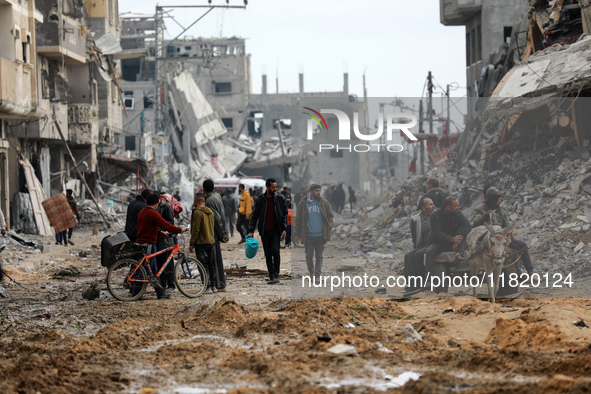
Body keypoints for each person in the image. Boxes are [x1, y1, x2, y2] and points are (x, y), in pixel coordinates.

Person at [136, 192, 188, 299]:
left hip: (143, 242)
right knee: (146, 269)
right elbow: (166, 225)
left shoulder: (142, 212)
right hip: (149, 243)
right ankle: (136, 293)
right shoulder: (153, 213)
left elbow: (147, 227)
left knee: (154, 270)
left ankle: (160, 293)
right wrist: (180, 230)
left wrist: (159, 232)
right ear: (156, 203)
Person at [472, 187, 534, 275]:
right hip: (486, 241)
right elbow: (475, 224)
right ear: (493, 199)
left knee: (522, 246)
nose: (501, 199)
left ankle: (530, 271)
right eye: (499, 197)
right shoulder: (479, 210)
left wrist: (510, 231)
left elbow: (508, 225)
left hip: (501, 239)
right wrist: (485, 216)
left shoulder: (501, 211)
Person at [424, 196, 471, 293]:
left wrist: (458, 238)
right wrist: (452, 239)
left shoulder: (457, 214)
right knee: (429, 252)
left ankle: (459, 254)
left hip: (454, 242)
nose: (458, 207)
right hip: (439, 242)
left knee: (463, 237)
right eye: (455, 206)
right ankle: (429, 280)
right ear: (448, 207)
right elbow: (437, 233)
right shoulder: (435, 216)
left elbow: (467, 225)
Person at [248, 178, 288, 284]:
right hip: (264, 231)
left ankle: (276, 275)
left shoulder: (280, 199)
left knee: (276, 251)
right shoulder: (260, 199)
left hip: (276, 231)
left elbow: (284, 214)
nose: (275, 189)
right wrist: (251, 230)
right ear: (267, 187)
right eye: (273, 187)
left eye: (276, 187)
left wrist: (284, 228)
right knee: (268, 254)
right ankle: (271, 275)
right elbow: (255, 215)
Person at [295, 184, 334, 279]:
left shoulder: (324, 202)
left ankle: (317, 275)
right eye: (316, 190)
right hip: (308, 235)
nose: (318, 192)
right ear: (310, 191)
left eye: (319, 190)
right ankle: (311, 272)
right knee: (309, 256)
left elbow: (330, 216)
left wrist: (329, 226)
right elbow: (299, 219)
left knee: (319, 256)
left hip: (321, 235)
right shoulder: (303, 203)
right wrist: (297, 234)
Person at [403, 197, 435, 292]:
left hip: (434, 243)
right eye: (430, 205)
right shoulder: (416, 219)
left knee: (419, 254)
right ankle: (412, 284)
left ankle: (421, 282)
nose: (433, 206)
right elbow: (414, 236)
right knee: (408, 257)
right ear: (423, 208)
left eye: (433, 204)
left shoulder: (437, 215)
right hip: (423, 244)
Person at [203, 179, 229, 291]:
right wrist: (224, 232)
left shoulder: (209, 201)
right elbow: (222, 216)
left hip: (213, 234)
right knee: (216, 259)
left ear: (203, 189)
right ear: (213, 188)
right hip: (217, 232)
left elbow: (216, 218)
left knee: (215, 261)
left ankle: (220, 285)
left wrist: (221, 234)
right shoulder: (217, 198)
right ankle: (219, 284)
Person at [189, 193, 218, 294]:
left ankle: (206, 287)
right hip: (211, 241)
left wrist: (192, 243)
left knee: (202, 265)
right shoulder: (210, 211)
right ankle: (213, 286)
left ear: (195, 200)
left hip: (201, 242)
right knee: (211, 265)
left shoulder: (197, 213)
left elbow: (195, 229)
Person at [156, 192, 176, 292]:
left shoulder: (166, 207)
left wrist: (163, 230)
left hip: (166, 239)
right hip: (157, 239)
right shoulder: (154, 207)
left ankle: (171, 284)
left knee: (168, 262)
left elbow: (170, 223)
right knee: (160, 263)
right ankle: (162, 284)